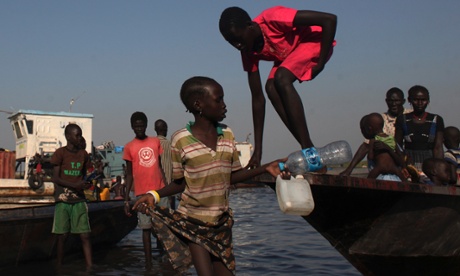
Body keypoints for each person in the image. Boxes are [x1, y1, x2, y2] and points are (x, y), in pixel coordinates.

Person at [133, 76, 283, 275]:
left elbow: (232, 177)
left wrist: (265, 168)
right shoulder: (180, 139)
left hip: (221, 223)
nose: (224, 105)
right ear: (199, 105)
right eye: (218, 100)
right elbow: (180, 183)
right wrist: (154, 195)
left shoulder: (227, 134)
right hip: (193, 222)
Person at [219, 6, 337, 168]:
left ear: (250, 26)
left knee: (281, 78)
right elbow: (258, 99)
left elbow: (329, 19)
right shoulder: (247, 52)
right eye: (232, 43)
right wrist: (258, 153)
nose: (238, 45)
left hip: (315, 40)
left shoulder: (272, 18)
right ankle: (310, 150)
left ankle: (307, 148)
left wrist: (321, 64)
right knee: (271, 88)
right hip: (290, 55)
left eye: (239, 39)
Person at [123, 111, 169, 267]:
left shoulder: (155, 142)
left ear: (146, 125)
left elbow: (160, 167)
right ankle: (148, 264)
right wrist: (126, 198)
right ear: (132, 127)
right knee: (146, 228)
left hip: (159, 191)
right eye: (136, 126)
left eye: (142, 125)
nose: (139, 128)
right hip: (141, 193)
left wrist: (167, 189)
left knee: (164, 227)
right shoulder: (129, 147)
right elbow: (129, 174)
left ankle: (166, 258)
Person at [340, 87, 410, 177]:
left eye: (397, 101)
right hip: (385, 163)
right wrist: (349, 170)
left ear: (403, 101)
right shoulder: (379, 119)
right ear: (386, 101)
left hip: (406, 159)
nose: (393, 104)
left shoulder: (409, 116)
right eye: (390, 101)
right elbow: (366, 145)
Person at [50, 124, 92, 267]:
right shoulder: (60, 153)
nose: (79, 138)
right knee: (62, 236)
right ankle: (59, 266)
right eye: (77, 135)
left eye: (80, 134)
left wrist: (85, 184)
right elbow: (55, 178)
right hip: (63, 200)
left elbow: (84, 176)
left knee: (85, 235)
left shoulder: (83, 154)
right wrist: (75, 185)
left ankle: (90, 267)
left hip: (79, 199)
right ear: (68, 137)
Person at [395, 85, 444, 172]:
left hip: (430, 165)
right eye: (416, 100)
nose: (420, 103)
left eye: (423, 100)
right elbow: (398, 145)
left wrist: (438, 168)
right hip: (409, 165)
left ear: (428, 101)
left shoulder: (436, 120)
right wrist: (404, 161)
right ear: (410, 100)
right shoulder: (402, 119)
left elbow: (438, 147)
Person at [360, 113, 407, 181]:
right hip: (393, 168)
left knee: (368, 181)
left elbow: (370, 157)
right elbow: (400, 158)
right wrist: (389, 150)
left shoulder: (373, 140)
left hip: (380, 167)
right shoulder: (392, 139)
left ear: (370, 128)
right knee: (404, 181)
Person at [154, 119, 176, 209]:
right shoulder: (171, 145)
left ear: (155, 129)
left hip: (152, 190)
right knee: (167, 218)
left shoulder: (150, 145)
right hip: (168, 189)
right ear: (166, 129)